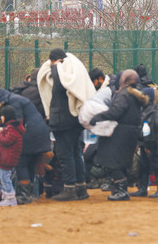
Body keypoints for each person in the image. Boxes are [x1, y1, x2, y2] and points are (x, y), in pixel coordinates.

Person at [38, 48, 96, 201]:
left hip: (63, 121)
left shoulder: (60, 73)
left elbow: (58, 85)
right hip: (75, 121)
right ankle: (80, 188)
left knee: (66, 155)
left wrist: (55, 66)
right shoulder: (74, 73)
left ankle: (69, 189)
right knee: (76, 153)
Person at [90, 70, 149, 201]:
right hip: (130, 132)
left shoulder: (124, 94)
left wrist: (98, 117)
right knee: (119, 160)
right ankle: (119, 188)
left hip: (120, 132)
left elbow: (115, 112)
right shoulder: (135, 95)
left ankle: (121, 189)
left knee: (110, 159)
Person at [0, 106, 26, 207]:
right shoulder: (11, 127)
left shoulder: (13, 129)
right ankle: (6, 197)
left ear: (6, 116)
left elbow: (6, 141)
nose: (1, 118)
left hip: (8, 158)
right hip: (7, 157)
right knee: (4, 177)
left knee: (5, 178)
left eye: (2, 116)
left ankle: (11, 198)